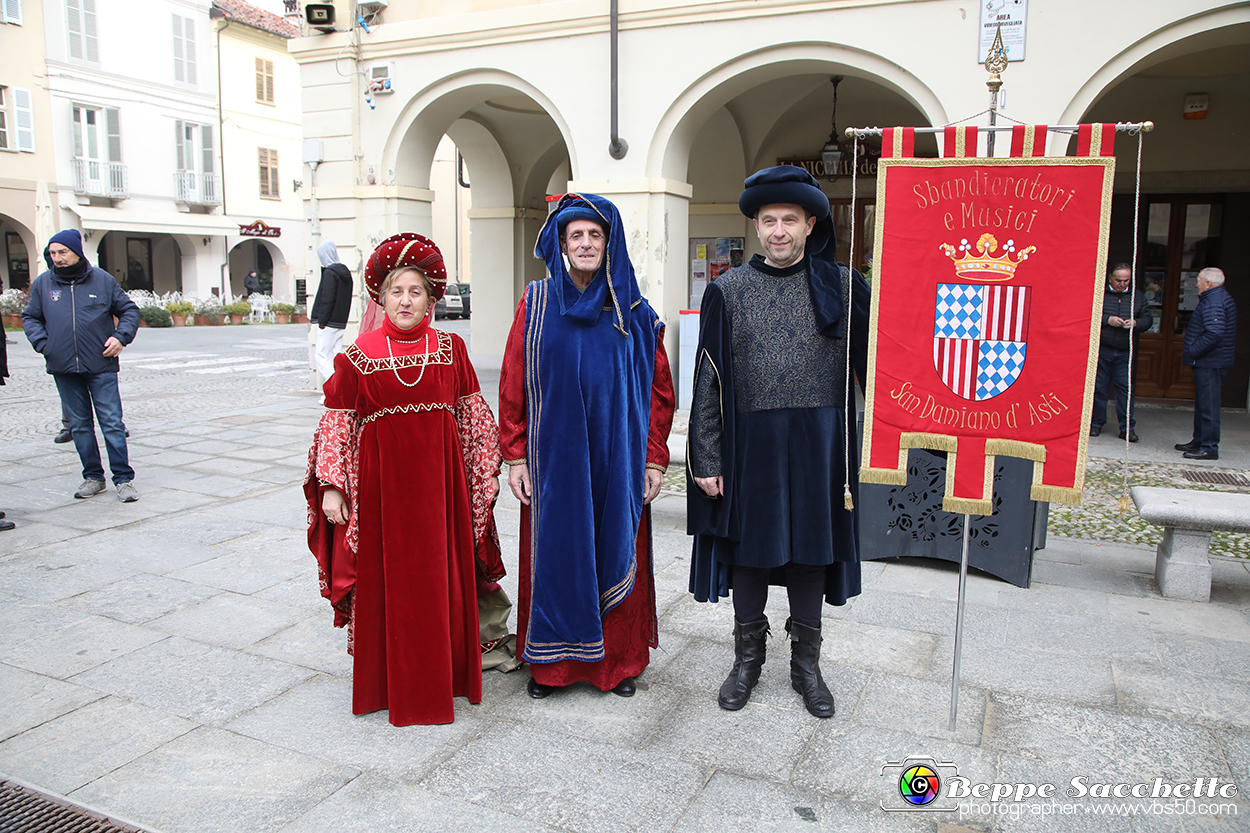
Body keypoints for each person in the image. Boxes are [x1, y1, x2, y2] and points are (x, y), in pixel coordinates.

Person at [687, 165, 869, 718]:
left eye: (790, 219)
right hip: (753, 444)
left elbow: (881, 367)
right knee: (751, 554)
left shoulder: (841, 285)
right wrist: (707, 455)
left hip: (821, 442)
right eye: (769, 221)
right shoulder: (728, 290)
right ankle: (747, 662)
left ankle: (806, 666)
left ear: (810, 223)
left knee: (812, 553)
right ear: (757, 227)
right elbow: (708, 377)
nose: (779, 231)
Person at [304, 232, 504, 726]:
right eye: (397, 291)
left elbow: (474, 416)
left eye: (416, 292)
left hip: (442, 490)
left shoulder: (451, 348)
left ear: (431, 299)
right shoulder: (358, 355)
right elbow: (337, 420)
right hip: (381, 494)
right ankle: (388, 684)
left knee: (441, 579)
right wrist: (332, 484)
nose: (406, 301)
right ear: (381, 298)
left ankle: (447, 678)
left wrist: (486, 473)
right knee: (388, 582)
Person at [498, 193, 675, 700]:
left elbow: (660, 391)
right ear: (561, 242)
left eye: (595, 235)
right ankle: (552, 669)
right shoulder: (535, 305)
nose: (585, 243)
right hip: (554, 464)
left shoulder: (634, 313)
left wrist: (653, 459)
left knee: (615, 548)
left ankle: (616, 665)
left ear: (609, 243)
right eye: (576, 234)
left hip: (617, 461)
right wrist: (515, 455)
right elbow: (513, 381)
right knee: (558, 556)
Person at [23, 230, 140, 502]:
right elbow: (30, 317)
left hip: (101, 364)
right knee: (79, 425)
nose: (57, 258)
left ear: (76, 251)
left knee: (111, 422)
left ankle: (123, 479)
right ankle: (94, 477)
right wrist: (43, 345)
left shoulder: (102, 280)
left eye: (62, 252)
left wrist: (120, 337)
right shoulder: (43, 284)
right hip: (63, 366)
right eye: (52, 253)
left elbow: (129, 310)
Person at [1175, 267, 1237, 461]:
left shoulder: (1214, 302)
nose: (1196, 284)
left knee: (1208, 405)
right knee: (1203, 404)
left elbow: (1214, 333)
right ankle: (1199, 441)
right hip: (1211, 360)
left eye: (1199, 281)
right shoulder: (1216, 298)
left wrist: (1193, 350)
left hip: (1210, 362)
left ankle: (1209, 447)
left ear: (1208, 284)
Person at [1090, 263, 1151, 442]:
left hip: (1125, 351)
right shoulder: (1099, 293)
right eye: (1118, 280)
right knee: (1099, 389)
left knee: (1125, 390)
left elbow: (1147, 318)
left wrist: (1136, 323)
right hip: (1102, 348)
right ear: (1110, 278)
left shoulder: (1137, 296)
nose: (1122, 284)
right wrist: (1107, 320)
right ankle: (1096, 423)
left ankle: (1127, 428)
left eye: (1126, 280)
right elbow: (1088, 314)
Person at [311, 241, 353, 382]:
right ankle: (339, 391)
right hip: (340, 322)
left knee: (321, 356)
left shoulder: (330, 273)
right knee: (335, 357)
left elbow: (327, 300)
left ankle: (336, 389)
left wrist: (322, 322)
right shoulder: (345, 274)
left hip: (328, 322)